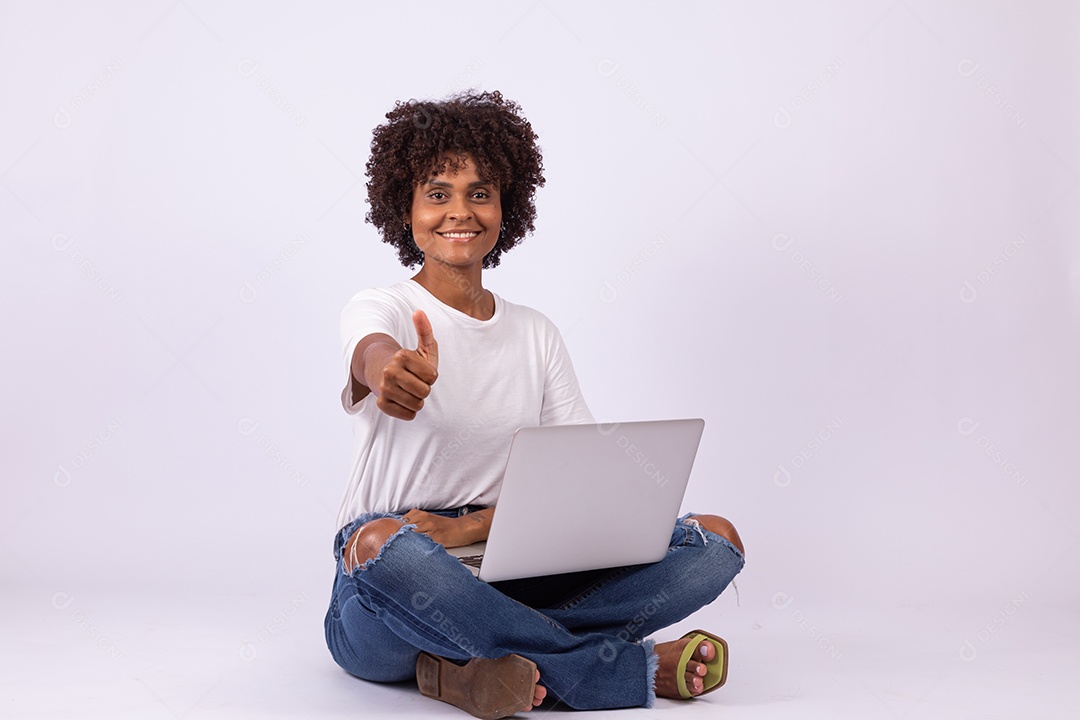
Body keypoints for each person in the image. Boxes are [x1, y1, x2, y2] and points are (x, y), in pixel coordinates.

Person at [323, 90, 746, 717]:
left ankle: (473, 668)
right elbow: (371, 352)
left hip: (514, 567)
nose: (459, 211)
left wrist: (466, 529)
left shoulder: (536, 333)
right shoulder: (380, 306)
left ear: (504, 207)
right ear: (404, 208)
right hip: (393, 586)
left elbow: (577, 490)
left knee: (716, 543)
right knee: (385, 546)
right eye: (437, 193)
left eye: (480, 192)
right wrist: (390, 372)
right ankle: (617, 671)